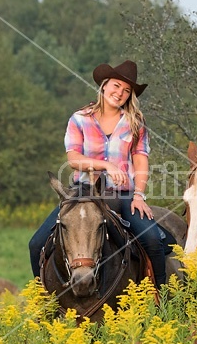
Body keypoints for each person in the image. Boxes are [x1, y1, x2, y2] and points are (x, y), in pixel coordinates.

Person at [28, 60, 167, 288]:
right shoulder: (79, 119)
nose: (119, 93)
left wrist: (139, 195)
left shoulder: (135, 123)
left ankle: (162, 297)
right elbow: (74, 160)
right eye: (116, 86)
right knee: (36, 244)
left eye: (126, 91)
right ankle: (44, 299)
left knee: (153, 240)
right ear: (104, 86)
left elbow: (141, 160)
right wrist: (106, 166)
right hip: (83, 193)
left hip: (122, 196)